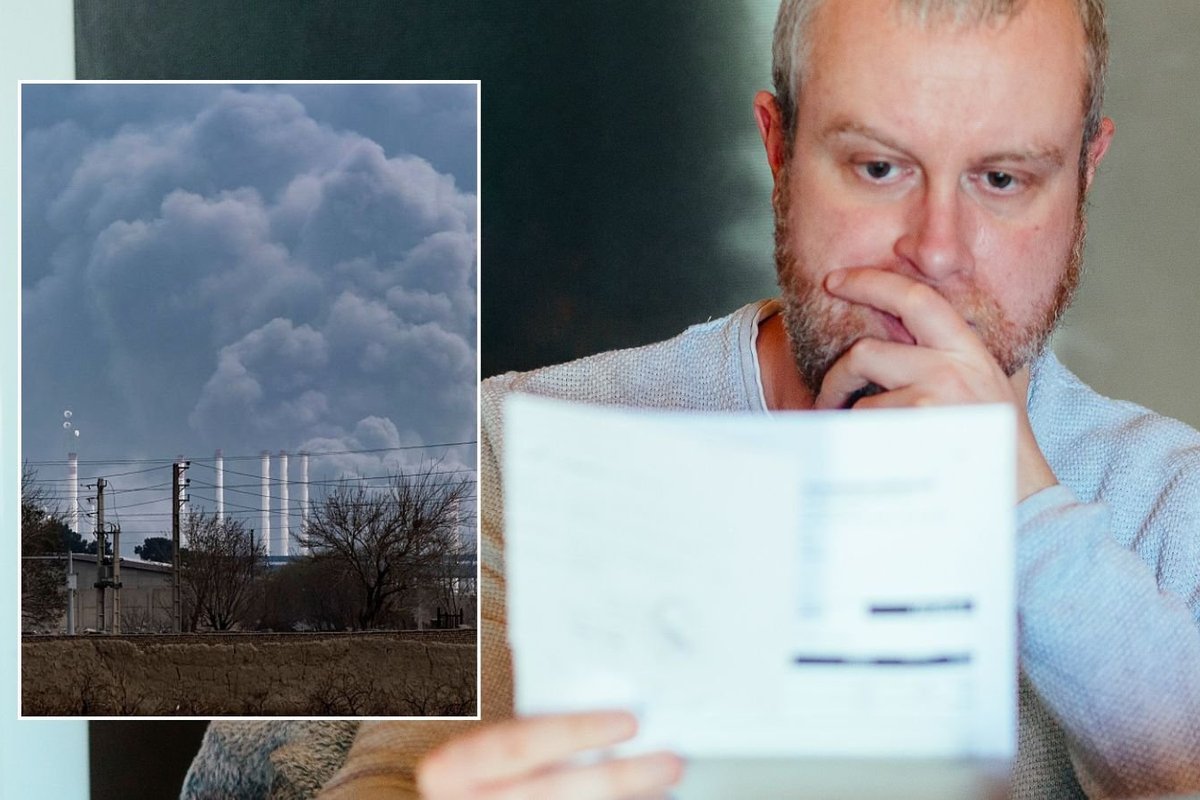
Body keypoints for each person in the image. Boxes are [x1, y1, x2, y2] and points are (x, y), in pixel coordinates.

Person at [182, 0, 1200, 797]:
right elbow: (394, 778)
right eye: (879, 166)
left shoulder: (1171, 502)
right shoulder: (512, 442)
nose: (934, 251)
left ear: (1085, 175)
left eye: (1004, 180)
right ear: (778, 151)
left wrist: (1025, 514)